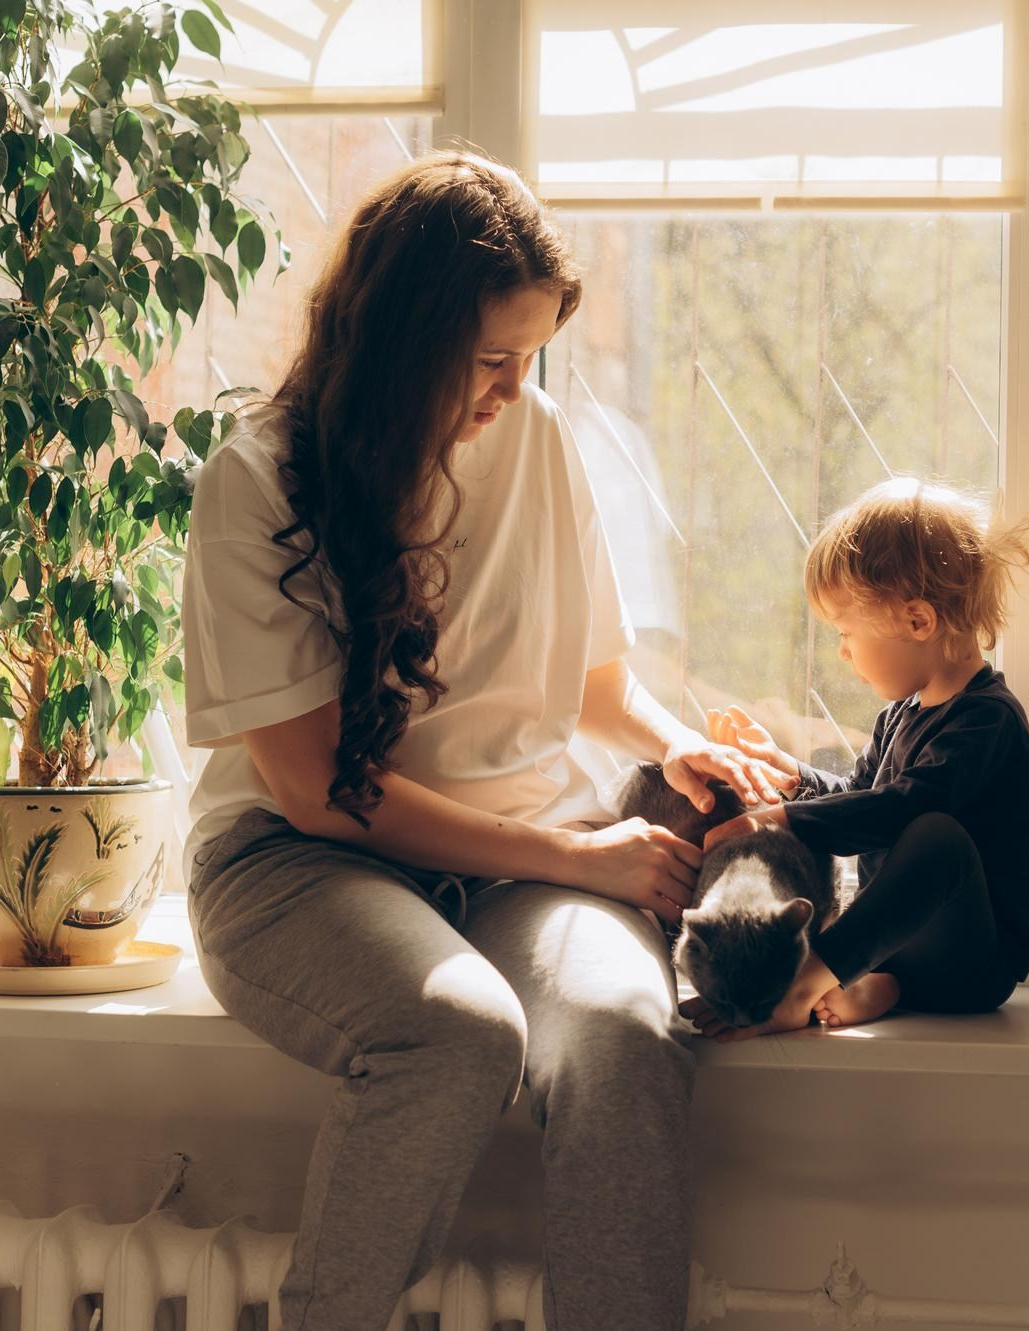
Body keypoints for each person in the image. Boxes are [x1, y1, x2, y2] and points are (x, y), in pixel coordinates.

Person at [178, 150, 783, 1331]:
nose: (513, 387)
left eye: (531, 355)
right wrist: (586, 856)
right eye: (490, 359)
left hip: (515, 858)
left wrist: (676, 744)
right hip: (297, 865)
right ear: (403, 339)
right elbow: (314, 791)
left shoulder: (537, 435)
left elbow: (596, 675)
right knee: (455, 1030)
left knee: (620, 1029)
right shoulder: (254, 482)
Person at [684, 478, 1029, 1040]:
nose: (843, 650)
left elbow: (899, 812)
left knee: (937, 839)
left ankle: (809, 980)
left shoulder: (986, 721)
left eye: (846, 631)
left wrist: (779, 818)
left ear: (918, 621)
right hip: (891, 949)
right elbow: (861, 800)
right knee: (901, 837)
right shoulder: (900, 716)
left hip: (975, 965)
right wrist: (793, 777)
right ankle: (878, 985)